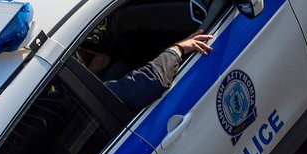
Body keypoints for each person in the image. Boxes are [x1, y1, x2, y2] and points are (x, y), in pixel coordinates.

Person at [78, 32, 214, 110]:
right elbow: (151, 82)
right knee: (118, 68)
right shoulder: (94, 97)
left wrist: (93, 71)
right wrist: (178, 48)